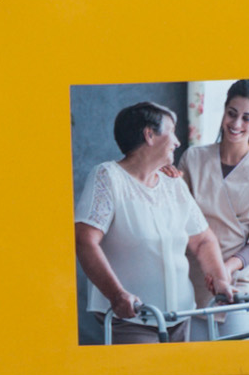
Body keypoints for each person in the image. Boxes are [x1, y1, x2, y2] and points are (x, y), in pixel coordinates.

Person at [77, 95, 226, 342]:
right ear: (149, 135)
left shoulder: (172, 184)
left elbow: (202, 240)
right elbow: (85, 240)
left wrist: (220, 279)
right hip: (130, 319)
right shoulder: (108, 177)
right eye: (172, 133)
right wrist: (117, 295)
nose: (178, 142)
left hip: (180, 316)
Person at [188, 79, 249, 306]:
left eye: (247, 118)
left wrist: (228, 268)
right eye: (232, 113)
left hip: (239, 280)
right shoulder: (193, 159)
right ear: (223, 112)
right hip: (192, 280)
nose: (236, 123)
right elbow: (178, 218)